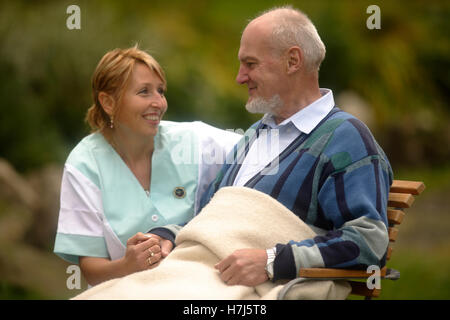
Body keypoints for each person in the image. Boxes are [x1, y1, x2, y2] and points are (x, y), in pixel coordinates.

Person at [197, 6, 393, 286]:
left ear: (292, 61)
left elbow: (369, 240)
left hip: (250, 290)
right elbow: (209, 215)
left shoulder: (345, 138)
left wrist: (272, 261)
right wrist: (164, 237)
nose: (240, 77)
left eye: (250, 64)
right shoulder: (256, 134)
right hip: (203, 273)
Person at [53, 46, 241, 286]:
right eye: (144, 92)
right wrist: (126, 266)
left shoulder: (195, 141)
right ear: (108, 102)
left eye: (160, 91)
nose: (159, 103)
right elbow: (90, 269)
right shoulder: (84, 165)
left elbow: (259, 152)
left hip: (198, 285)